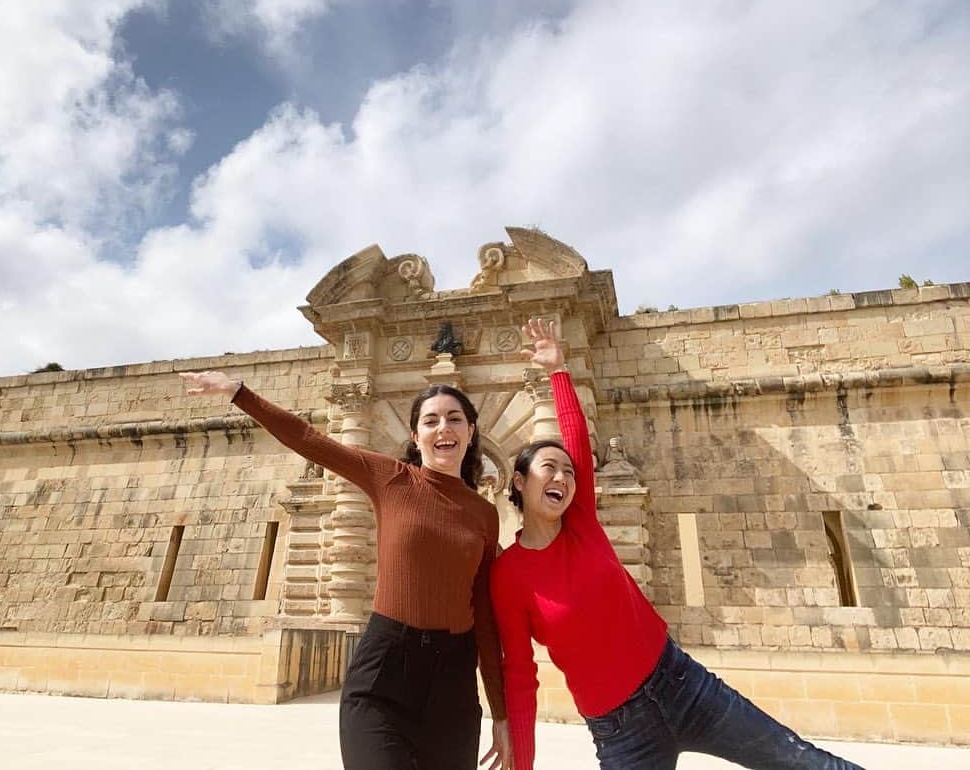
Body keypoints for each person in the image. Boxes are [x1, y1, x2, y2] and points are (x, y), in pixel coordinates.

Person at [490, 319, 864, 770]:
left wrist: (559, 370)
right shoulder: (508, 574)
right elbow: (519, 675)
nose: (562, 477)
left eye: (569, 472)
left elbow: (577, 442)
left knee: (805, 762)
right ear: (519, 481)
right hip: (621, 730)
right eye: (549, 467)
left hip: (683, 684)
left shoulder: (581, 523)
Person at [180, 371, 512, 770]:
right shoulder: (391, 478)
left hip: (452, 681)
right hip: (385, 668)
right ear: (415, 436)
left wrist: (501, 714)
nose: (444, 428)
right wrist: (239, 393)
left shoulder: (485, 515)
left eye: (455, 418)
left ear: (471, 431)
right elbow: (309, 440)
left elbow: (485, 616)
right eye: (431, 420)